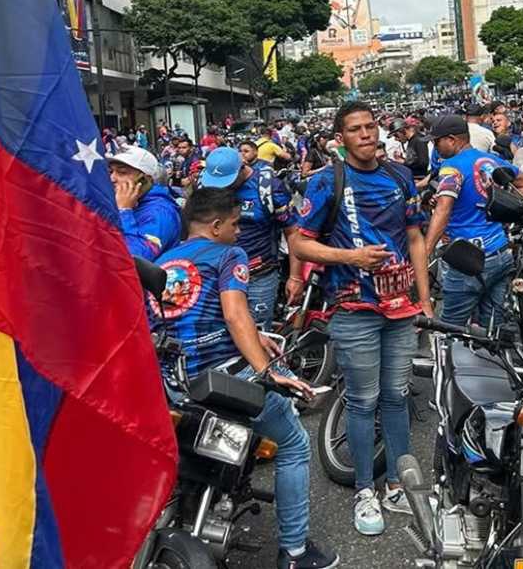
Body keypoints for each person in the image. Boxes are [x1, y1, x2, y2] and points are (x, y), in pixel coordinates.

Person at [151, 187, 339, 569]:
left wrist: (257, 336)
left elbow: (187, 320)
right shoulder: (229, 254)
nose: (239, 232)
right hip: (222, 379)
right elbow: (235, 315)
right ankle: (295, 551)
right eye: (235, 225)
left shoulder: (163, 261)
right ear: (216, 226)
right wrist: (269, 371)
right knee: (294, 442)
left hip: (171, 381)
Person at [290, 102, 432, 536]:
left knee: (397, 396)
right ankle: (365, 489)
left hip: (400, 309)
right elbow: (300, 243)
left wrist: (425, 301)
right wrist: (351, 257)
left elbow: (415, 238)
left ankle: (398, 484)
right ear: (341, 138)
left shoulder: (400, 176)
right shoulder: (326, 182)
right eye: (355, 129)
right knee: (362, 400)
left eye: (371, 126)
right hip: (354, 310)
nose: (366, 134)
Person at [425, 115, 523, 326]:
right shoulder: (490, 160)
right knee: (493, 329)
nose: (435, 148)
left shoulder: (451, 167)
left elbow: (443, 208)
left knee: (450, 329)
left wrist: (425, 251)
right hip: (500, 253)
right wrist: (504, 211)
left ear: (452, 140)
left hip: (468, 261)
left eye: (437, 142)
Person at [199, 147, 300, 326]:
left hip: (259, 275)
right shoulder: (208, 186)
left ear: (242, 167)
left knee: (257, 332)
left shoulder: (269, 187)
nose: (223, 187)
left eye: (227, 181)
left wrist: (295, 277)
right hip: (218, 274)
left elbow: (292, 233)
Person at [107, 146, 182, 260]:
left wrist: (124, 212)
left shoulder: (160, 212)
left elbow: (134, 258)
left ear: (144, 180)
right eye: (111, 172)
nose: (112, 178)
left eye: (122, 172)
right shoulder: (128, 202)